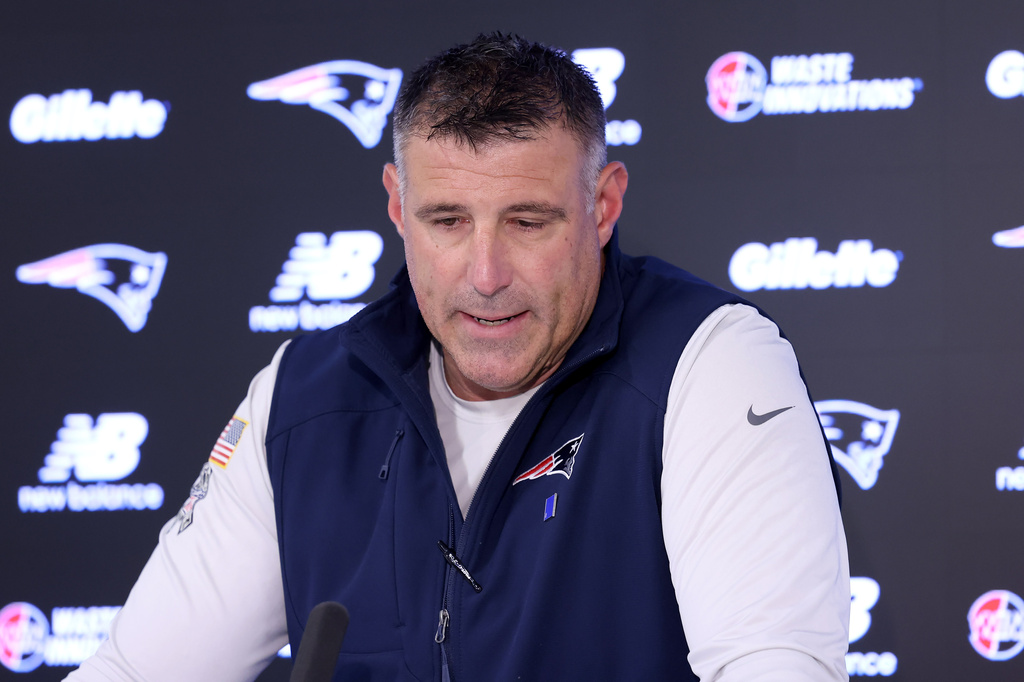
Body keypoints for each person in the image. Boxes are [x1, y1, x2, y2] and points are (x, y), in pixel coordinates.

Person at [68, 33, 850, 681]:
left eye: (528, 222)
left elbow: (772, 664)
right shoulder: (302, 399)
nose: (484, 275)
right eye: (446, 221)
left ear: (603, 205)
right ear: (396, 207)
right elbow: (139, 671)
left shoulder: (709, 362)